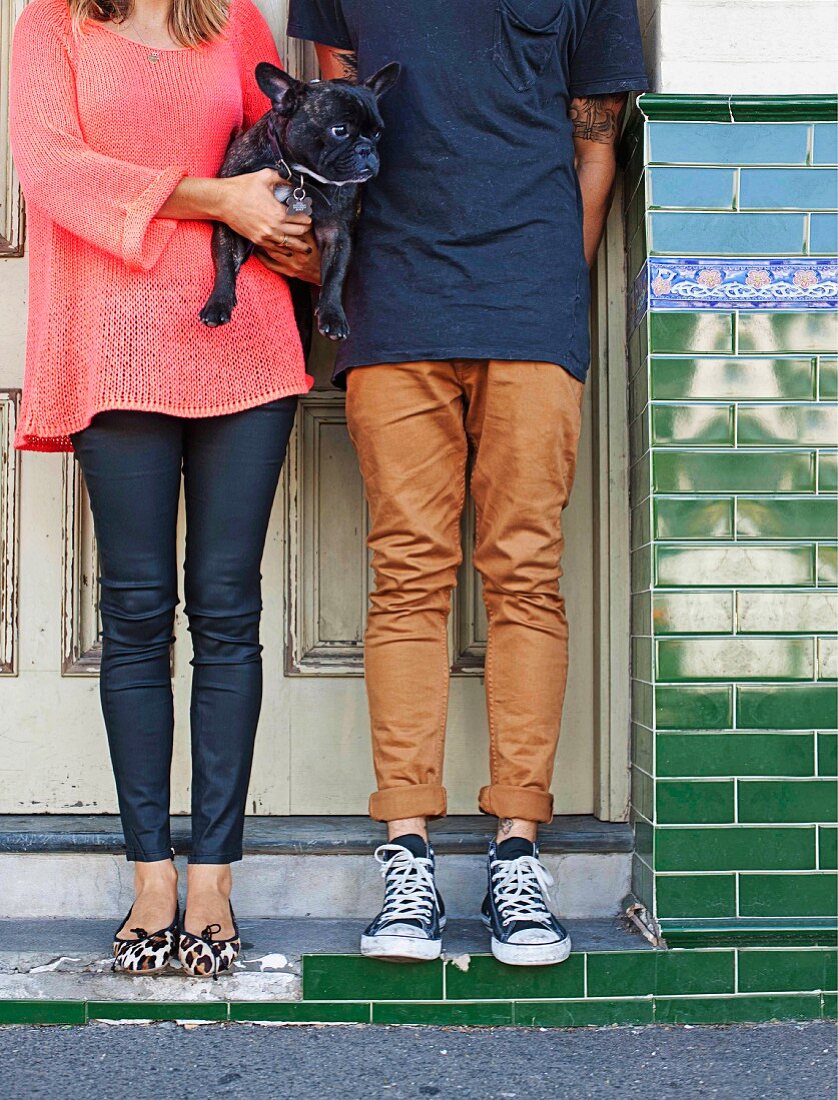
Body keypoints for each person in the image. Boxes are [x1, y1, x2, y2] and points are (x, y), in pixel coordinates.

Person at [288, 0, 649, 966]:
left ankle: (516, 853)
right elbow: (341, 112)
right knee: (408, 575)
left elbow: (596, 149)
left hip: (529, 307)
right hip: (393, 298)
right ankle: (404, 851)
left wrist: (546, 291)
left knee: (525, 577)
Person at [10, 0, 320, 977]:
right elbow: (52, 168)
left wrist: (292, 223)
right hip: (113, 340)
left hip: (247, 341)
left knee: (227, 611)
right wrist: (216, 198)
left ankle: (214, 880)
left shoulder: (231, 22)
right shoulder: (54, 23)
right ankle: (151, 875)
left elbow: (289, 151)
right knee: (137, 612)